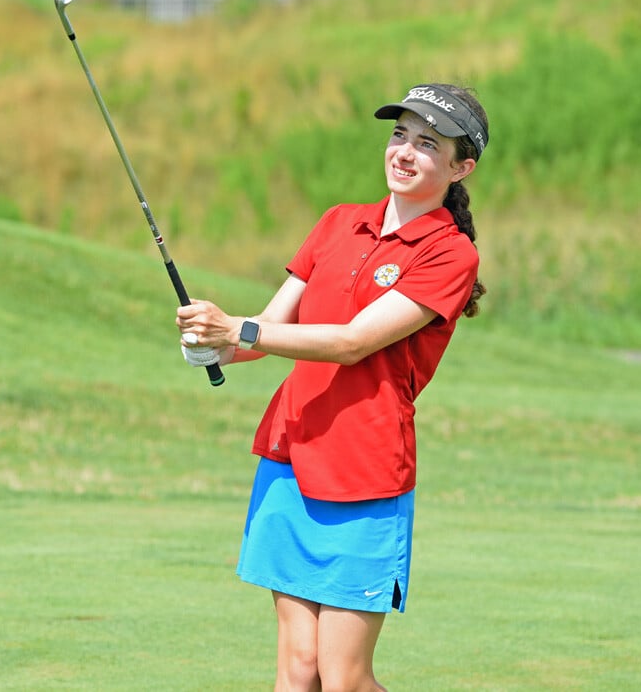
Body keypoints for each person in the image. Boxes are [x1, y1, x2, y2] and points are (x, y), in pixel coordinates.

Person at [177, 83, 489, 692]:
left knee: (342, 678)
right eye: (399, 134)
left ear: (460, 166)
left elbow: (351, 342)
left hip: (364, 468)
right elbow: (267, 333)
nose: (404, 151)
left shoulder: (450, 255)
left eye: (428, 144)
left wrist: (238, 328)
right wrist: (210, 342)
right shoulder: (338, 223)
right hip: (292, 455)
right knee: (297, 672)